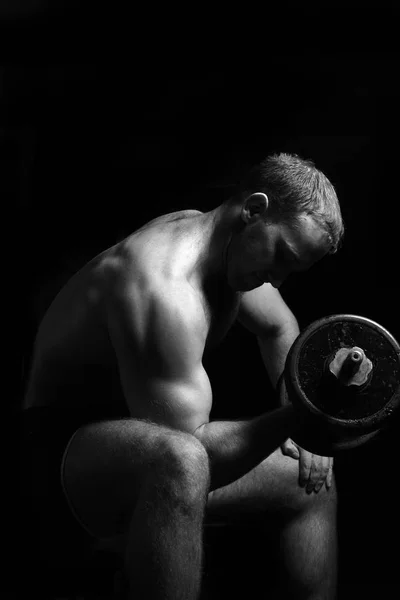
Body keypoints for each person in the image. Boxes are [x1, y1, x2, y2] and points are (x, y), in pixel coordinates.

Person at [21, 152, 344, 600]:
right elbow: (192, 449)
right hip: (58, 459)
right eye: (281, 256)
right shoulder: (162, 285)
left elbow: (279, 327)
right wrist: (303, 417)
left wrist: (300, 421)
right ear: (253, 210)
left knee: (310, 481)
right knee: (181, 464)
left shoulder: (230, 253)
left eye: (293, 268)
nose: (280, 278)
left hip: (146, 440)